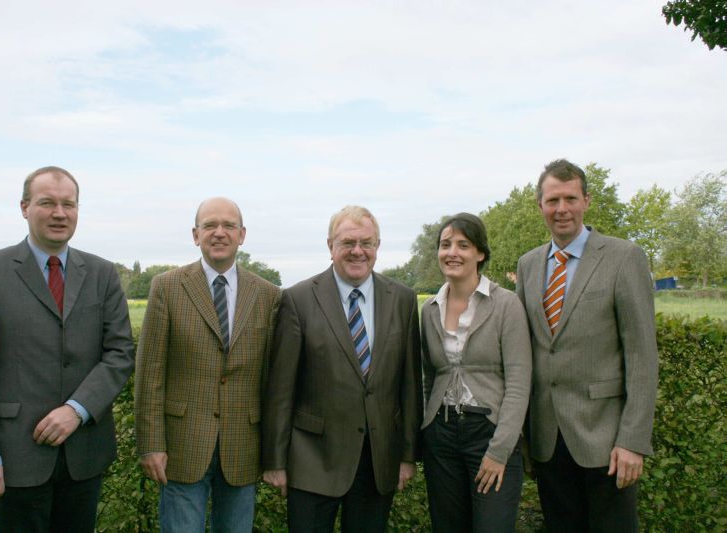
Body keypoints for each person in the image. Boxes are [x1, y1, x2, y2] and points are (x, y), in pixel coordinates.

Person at [0, 166, 135, 532]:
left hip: (84, 453)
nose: (59, 213)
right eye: (47, 203)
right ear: (24, 207)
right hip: (15, 456)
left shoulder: (102, 274)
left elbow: (119, 354)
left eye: (68, 204)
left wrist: (77, 410)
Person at [516, 159, 659, 532]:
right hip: (548, 438)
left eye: (570, 198)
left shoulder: (623, 257)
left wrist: (632, 442)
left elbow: (642, 356)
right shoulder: (528, 265)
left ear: (586, 201)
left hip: (607, 441)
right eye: (552, 200)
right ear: (540, 205)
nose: (561, 209)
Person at [262, 205, 423, 533]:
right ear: (330, 246)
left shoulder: (403, 299)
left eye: (367, 243)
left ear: (378, 246)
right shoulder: (298, 299)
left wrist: (407, 455)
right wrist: (275, 461)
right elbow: (281, 388)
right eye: (348, 242)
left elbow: (409, 385)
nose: (358, 251)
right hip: (312, 460)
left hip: (377, 461)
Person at [134, 197, 280, 532]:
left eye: (228, 225)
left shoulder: (269, 295)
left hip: (244, 446)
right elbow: (150, 373)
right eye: (209, 225)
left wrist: (275, 453)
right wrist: (151, 443)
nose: (219, 233)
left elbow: (273, 382)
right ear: (195, 234)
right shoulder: (167, 287)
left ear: (242, 235)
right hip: (182, 446)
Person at [421, 213, 531, 533]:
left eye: (463, 245)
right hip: (440, 436)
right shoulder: (429, 310)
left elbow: (519, 382)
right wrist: (426, 427)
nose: (452, 252)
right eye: (445, 245)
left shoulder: (506, 304)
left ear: (480, 253)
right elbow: (428, 376)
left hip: (489, 432)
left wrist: (500, 451)